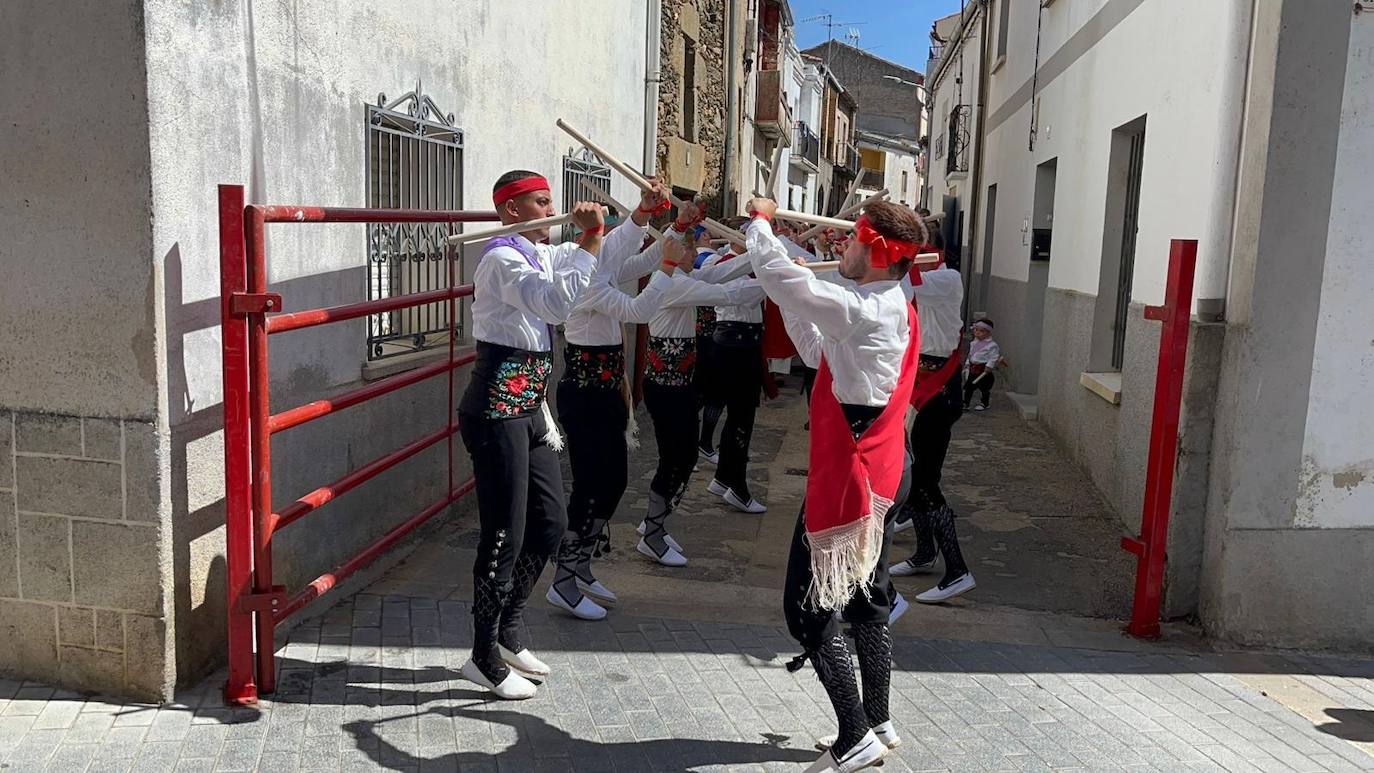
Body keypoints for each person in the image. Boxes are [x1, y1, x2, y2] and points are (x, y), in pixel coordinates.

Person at [747, 197, 926, 772]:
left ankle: (854, 736)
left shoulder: (862, 307)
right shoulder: (890, 300)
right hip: (880, 468)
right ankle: (878, 718)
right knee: (866, 598)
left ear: (874, 251)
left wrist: (761, 224)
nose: (840, 248)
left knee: (808, 608)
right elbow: (816, 338)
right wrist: (774, 258)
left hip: (851, 480)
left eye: (851, 240)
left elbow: (786, 283)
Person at [456, 170, 604, 699]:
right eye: (542, 201)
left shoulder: (540, 251)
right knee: (505, 532)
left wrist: (648, 219)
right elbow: (554, 305)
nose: (551, 209)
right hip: (496, 407)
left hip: (529, 406)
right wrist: (587, 241)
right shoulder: (502, 257)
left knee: (550, 521)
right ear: (512, 209)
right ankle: (481, 656)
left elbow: (602, 255)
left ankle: (509, 628)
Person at [546, 181, 689, 621]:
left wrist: (664, 224)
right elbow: (640, 310)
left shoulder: (599, 266)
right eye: (596, 239)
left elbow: (634, 252)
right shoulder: (582, 282)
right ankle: (563, 581)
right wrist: (668, 264)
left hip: (607, 391)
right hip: (585, 395)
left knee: (615, 481)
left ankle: (581, 566)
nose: (604, 245)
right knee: (593, 485)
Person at [636, 233, 758, 566]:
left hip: (679, 384)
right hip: (665, 387)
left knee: (683, 456)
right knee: (676, 458)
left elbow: (723, 274)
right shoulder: (673, 283)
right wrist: (778, 278)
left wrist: (763, 257)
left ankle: (654, 523)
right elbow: (727, 292)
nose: (694, 252)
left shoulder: (683, 278)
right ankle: (652, 532)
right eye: (688, 247)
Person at [888, 226, 977, 604]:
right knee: (919, 474)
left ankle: (957, 570)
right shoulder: (922, 276)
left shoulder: (947, 278)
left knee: (925, 482)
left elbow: (903, 289)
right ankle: (925, 553)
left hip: (939, 391)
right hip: (920, 385)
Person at [698, 225, 769, 514]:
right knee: (741, 417)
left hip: (742, 343)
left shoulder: (745, 263)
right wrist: (772, 274)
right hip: (734, 343)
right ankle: (737, 486)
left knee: (739, 416)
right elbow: (743, 295)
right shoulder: (718, 262)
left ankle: (723, 477)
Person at [963, 318, 1003, 411]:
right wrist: (967, 363)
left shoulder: (992, 345)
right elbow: (970, 354)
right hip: (973, 369)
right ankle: (966, 403)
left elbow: (994, 357)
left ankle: (984, 403)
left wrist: (989, 366)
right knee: (969, 387)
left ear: (989, 333)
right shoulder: (974, 343)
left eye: (982, 331)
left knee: (984, 388)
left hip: (983, 370)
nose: (978, 333)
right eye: (976, 330)